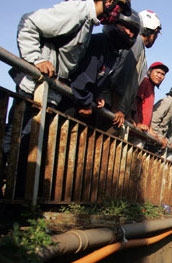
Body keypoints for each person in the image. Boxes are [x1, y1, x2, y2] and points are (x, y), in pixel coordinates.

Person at [2, 0, 131, 193]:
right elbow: (29, 22)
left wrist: (93, 96)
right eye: (119, 7)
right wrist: (37, 59)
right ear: (109, 1)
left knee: (30, 148)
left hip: (50, 92)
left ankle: (15, 202)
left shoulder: (88, 23)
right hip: (34, 89)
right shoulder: (76, 12)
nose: (118, 13)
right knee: (16, 143)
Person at [69, 10, 141, 121]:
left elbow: (97, 79)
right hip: (69, 101)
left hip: (80, 103)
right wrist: (85, 100)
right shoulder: (99, 43)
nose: (129, 33)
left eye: (133, 31)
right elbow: (82, 78)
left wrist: (96, 96)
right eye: (126, 27)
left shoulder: (113, 53)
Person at [110, 9, 162, 128]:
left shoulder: (140, 47)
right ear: (152, 32)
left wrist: (127, 114)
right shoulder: (137, 43)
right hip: (115, 106)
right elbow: (123, 75)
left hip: (119, 108)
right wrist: (119, 108)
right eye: (156, 34)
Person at [129, 62, 169, 147]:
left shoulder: (152, 88)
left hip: (141, 133)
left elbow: (146, 112)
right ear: (150, 71)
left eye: (163, 74)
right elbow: (135, 101)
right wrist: (138, 123)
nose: (160, 76)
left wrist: (150, 130)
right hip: (134, 131)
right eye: (157, 72)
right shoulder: (145, 82)